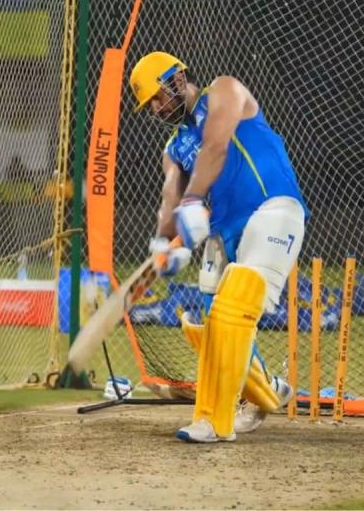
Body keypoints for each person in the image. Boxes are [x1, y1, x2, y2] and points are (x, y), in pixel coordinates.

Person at [129, 51, 308, 443]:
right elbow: (169, 197)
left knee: (233, 310)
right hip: (224, 230)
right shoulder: (174, 147)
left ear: (176, 79)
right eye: (149, 106)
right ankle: (267, 390)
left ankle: (215, 421)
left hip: (271, 207)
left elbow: (215, 147)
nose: (155, 109)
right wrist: (163, 244)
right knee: (213, 322)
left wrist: (194, 199)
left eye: (157, 97)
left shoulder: (224, 90)